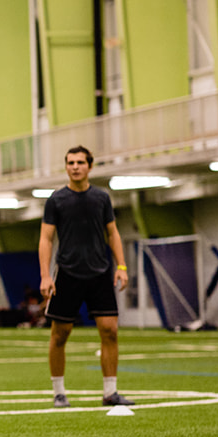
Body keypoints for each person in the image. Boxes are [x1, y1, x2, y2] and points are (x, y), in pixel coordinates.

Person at [38, 145, 133, 408]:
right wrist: (45, 275)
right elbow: (46, 239)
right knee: (60, 334)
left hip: (99, 273)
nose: (75, 167)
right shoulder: (56, 200)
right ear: (66, 167)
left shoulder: (101, 199)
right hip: (67, 273)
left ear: (89, 166)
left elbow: (113, 233)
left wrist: (122, 266)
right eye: (70, 163)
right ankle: (59, 393)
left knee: (110, 331)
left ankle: (110, 392)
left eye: (80, 162)